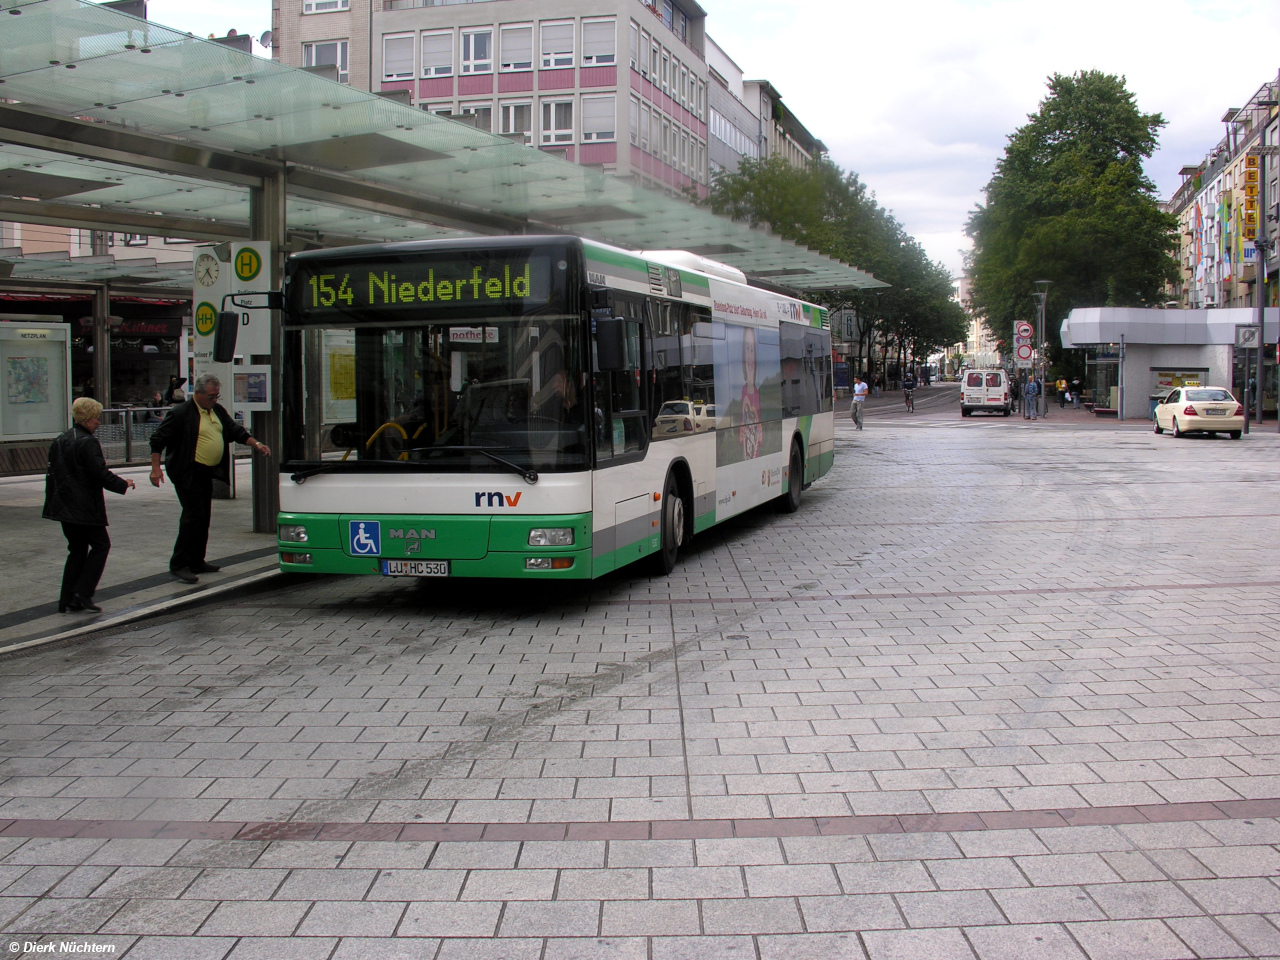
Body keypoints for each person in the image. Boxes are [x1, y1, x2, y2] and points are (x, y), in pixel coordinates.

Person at [149, 373, 272, 583]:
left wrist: (257, 444)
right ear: (197, 394)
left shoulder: (216, 410)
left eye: (217, 396)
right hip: (187, 471)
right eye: (211, 396)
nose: (214, 400)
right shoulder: (181, 413)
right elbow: (158, 439)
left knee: (203, 516)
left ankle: (197, 560)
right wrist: (155, 469)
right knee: (193, 516)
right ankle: (179, 564)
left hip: (205, 472)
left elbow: (235, 430)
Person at [42, 397, 136, 613]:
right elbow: (99, 474)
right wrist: (124, 483)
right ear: (87, 419)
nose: (98, 423)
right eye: (96, 418)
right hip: (83, 507)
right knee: (101, 545)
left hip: (64, 506)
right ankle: (82, 593)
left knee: (76, 550)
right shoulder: (88, 442)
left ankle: (67, 599)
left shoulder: (60, 439)